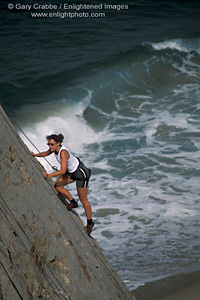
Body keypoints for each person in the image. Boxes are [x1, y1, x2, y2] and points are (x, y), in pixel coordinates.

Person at [31, 134, 94, 235]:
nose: (50, 146)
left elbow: (62, 171)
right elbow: (46, 153)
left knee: (83, 199)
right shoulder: (53, 149)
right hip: (71, 173)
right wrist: (35, 155)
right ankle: (73, 202)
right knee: (58, 186)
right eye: (49, 144)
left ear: (58, 144)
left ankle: (90, 223)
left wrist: (48, 175)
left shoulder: (63, 152)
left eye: (52, 144)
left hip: (80, 173)